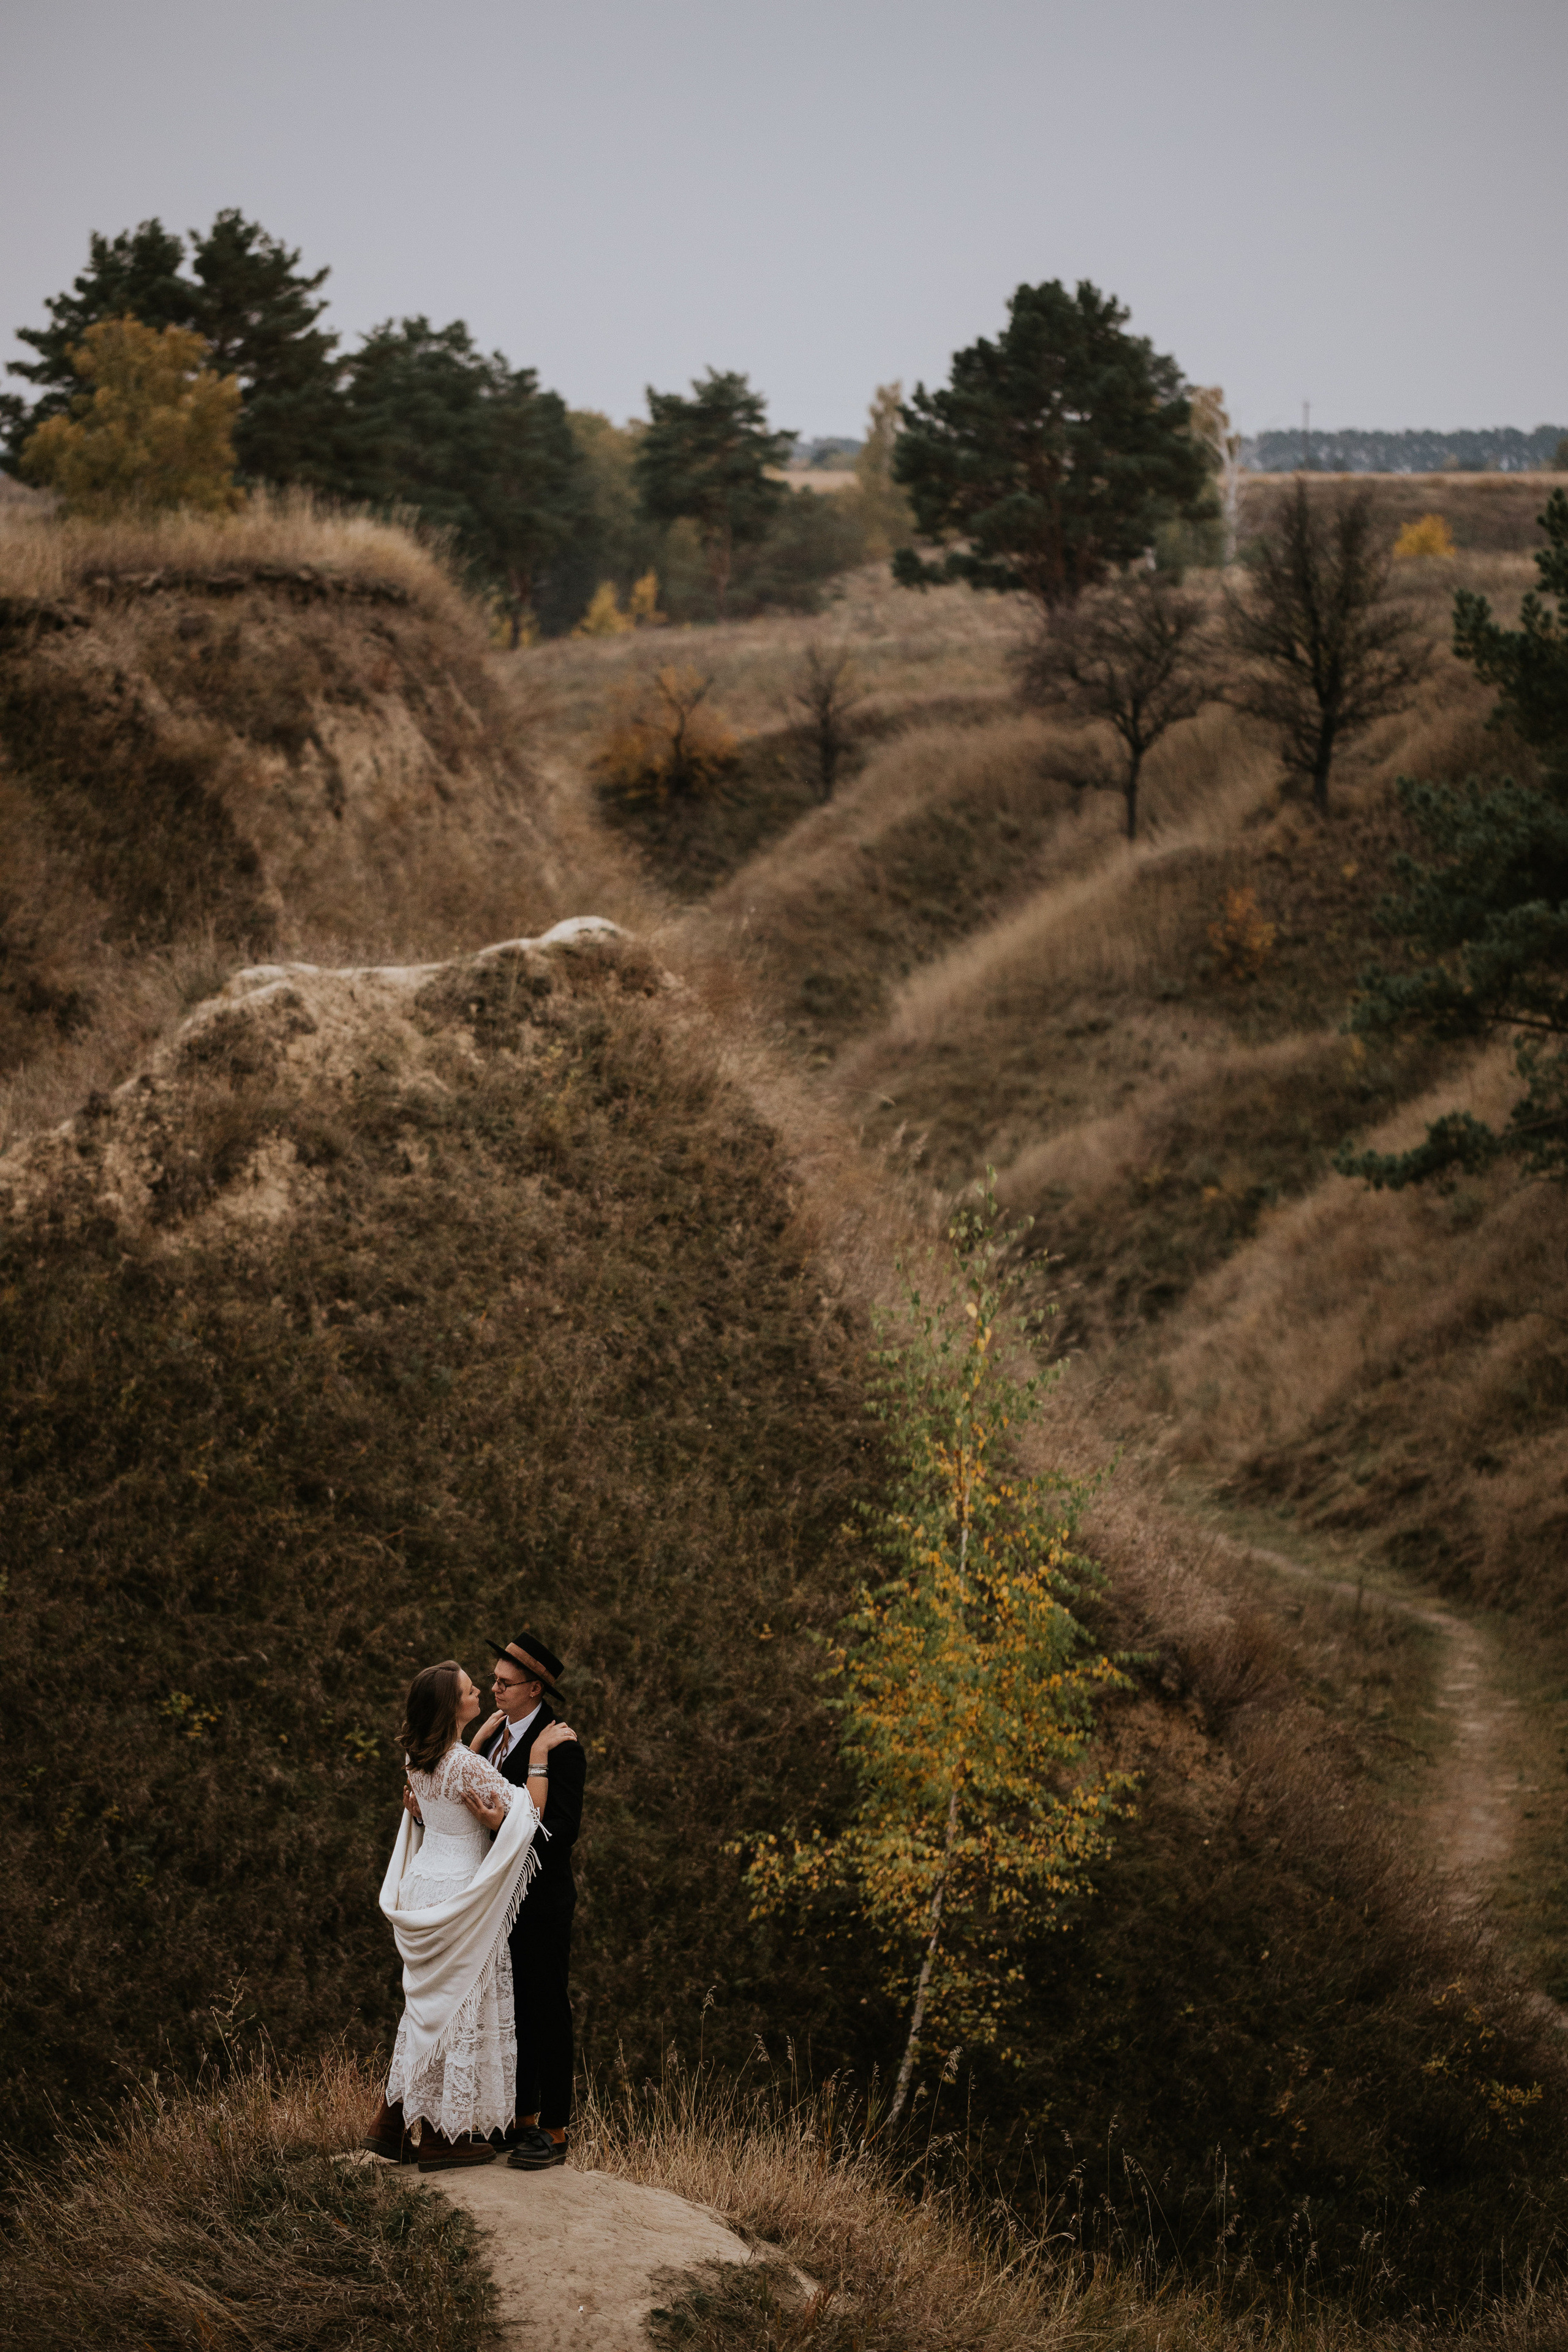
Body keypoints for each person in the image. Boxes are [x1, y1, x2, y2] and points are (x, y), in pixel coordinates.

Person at [361, 1659, 577, 2173]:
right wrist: (541, 1757)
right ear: (450, 1706)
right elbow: (528, 1817)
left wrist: (476, 1738)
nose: (481, 1688)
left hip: (424, 1885)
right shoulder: (467, 1765)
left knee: (427, 2007)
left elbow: (443, 1794)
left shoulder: (420, 1759)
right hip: (461, 1890)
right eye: (469, 1689)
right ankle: (441, 2138)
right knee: (461, 2006)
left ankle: (390, 2124)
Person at [476, 1632, 587, 2172]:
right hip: (498, 1898)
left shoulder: (560, 1743)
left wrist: (511, 1831)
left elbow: (565, 1830)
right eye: (494, 1679)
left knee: (547, 2008)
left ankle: (555, 2130)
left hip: (542, 1898)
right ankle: (519, 2118)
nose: (493, 1688)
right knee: (510, 2007)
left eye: (505, 1682)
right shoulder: (495, 1734)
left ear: (534, 1688)